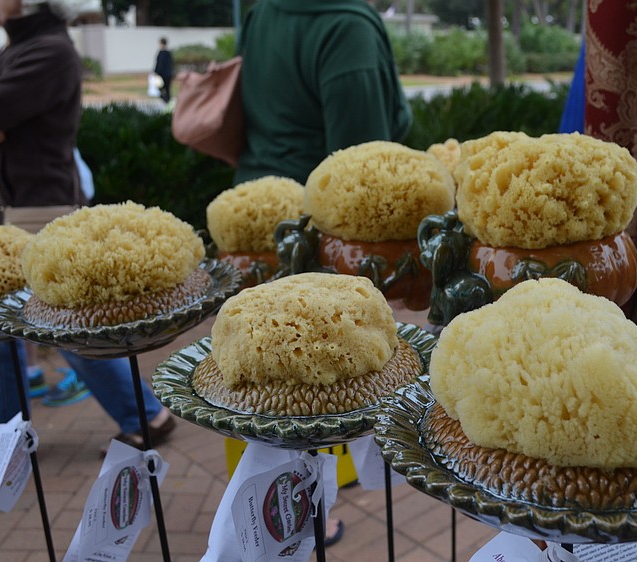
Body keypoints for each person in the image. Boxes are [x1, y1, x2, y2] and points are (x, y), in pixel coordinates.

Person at [231, 0, 413, 546]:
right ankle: (308, 513)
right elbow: (367, 168)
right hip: (316, 242)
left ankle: (259, 518)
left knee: (251, 380)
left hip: (255, 213)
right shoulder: (345, 28)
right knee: (316, 385)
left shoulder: (263, 10)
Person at [0, 0, 174, 452]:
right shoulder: (18, 48)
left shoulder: (48, 50)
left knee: (56, 327)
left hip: (39, 212)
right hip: (14, 209)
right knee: (16, 330)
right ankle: (8, 440)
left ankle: (142, 414)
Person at [234, 0, 413, 186]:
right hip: (310, 199)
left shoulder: (262, 11)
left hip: (247, 192)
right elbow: (361, 176)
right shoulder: (349, 30)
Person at [153, 36, 173, 103]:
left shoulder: (161, 53)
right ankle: (168, 101)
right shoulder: (169, 53)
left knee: (160, 88)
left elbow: (159, 64)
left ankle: (166, 101)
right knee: (167, 89)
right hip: (168, 74)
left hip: (162, 74)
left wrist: (156, 72)